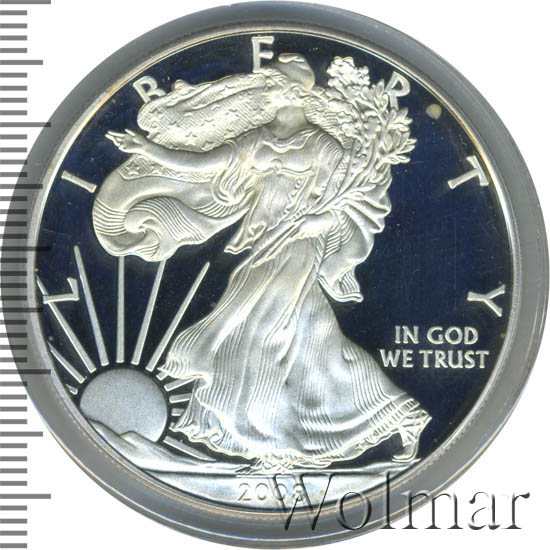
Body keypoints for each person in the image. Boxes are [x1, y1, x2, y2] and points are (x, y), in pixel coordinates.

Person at [97, 54, 430, 472]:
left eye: (272, 85)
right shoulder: (258, 138)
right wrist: (151, 150)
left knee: (259, 337)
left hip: (298, 247)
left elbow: (351, 201)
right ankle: (396, 415)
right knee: (313, 345)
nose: (265, 91)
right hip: (264, 246)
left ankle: (275, 446)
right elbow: (207, 163)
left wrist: (317, 221)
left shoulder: (322, 146)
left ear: (292, 92)